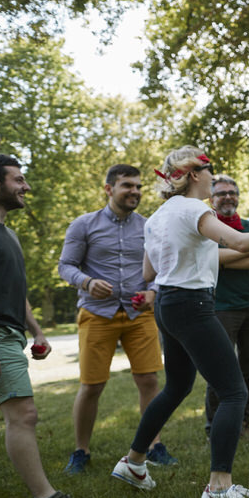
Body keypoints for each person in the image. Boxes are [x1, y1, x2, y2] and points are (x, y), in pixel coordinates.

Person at [110, 146, 249, 498]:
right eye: (211, 172)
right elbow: (238, 240)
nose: (214, 178)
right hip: (193, 306)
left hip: (166, 304)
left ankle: (133, 462)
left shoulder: (158, 216)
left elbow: (149, 273)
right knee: (233, 391)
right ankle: (219, 489)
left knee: (178, 387)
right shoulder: (197, 209)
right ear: (196, 175)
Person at [0, 144, 89, 498]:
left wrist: (37, 331)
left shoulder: (7, 235)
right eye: (19, 179)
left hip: (9, 334)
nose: (26, 187)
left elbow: (14, 291)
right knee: (23, 415)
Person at [58, 164, 176, 473]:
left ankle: (154, 445)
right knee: (92, 385)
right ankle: (81, 451)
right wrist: (87, 282)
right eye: (127, 186)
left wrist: (152, 291)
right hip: (97, 314)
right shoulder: (84, 225)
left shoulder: (149, 226)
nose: (135, 192)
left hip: (140, 314)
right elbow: (66, 266)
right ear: (109, 189)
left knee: (149, 380)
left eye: (138, 187)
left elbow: (162, 268)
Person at [205, 175, 249, 439]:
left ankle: (243, 424)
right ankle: (214, 427)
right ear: (211, 199)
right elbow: (211, 260)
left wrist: (226, 259)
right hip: (222, 308)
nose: (227, 197)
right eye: (221, 193)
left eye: (232, 192)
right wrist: (245, 253)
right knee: (220, 368)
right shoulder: (208, 228)